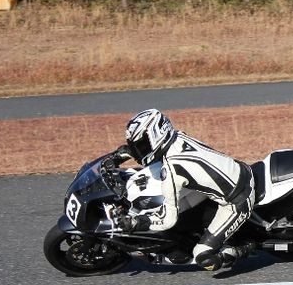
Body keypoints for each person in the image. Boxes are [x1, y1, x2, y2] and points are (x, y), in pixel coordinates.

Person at [108, 109, 255, 271]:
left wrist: (137, 222)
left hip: (238, 199)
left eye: (141, 145)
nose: (139, 150)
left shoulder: (172, 170)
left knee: (202, 256)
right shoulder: (178, 137)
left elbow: (167, 220)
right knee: (181, 208)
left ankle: (243, 247)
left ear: (157, 135)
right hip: (237, 172)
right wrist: (129, 152)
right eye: (136, 146)